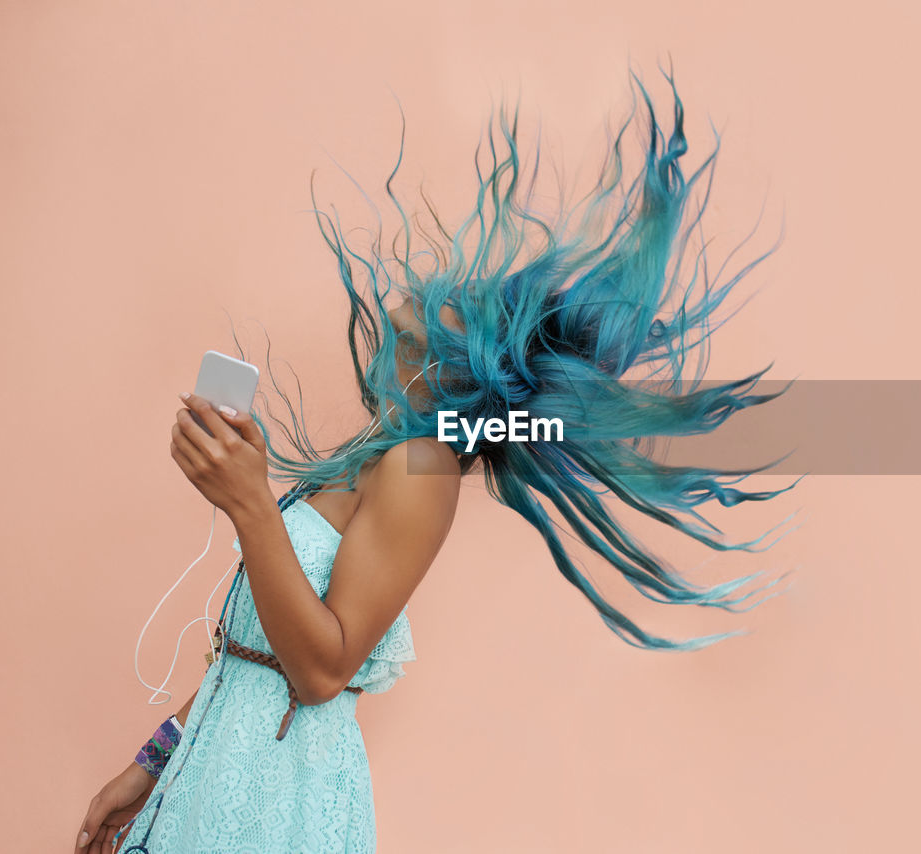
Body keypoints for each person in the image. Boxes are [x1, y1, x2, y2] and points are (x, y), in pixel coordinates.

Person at [75, 62, 797, 853]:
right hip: (221, 775)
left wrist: (250, 501)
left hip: (278, 803)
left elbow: (320, 671)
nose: (442, 287)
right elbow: (257, 653)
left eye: (473, 305)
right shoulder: (379, 454)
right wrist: (150, 764)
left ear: (469, 363)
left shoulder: (423, 470)